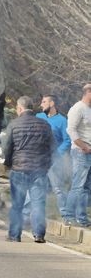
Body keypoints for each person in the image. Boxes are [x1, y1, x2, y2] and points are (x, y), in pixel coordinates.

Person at [2, 96, 55, 243]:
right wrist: (46, 164)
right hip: (39, 170)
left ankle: (14, 235)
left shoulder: (14, 124)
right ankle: (39, 234)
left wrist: (8, 163)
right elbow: (53, 148)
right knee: (38, 203)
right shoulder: (44, 124)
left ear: (19, 108)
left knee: (17, 204)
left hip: (19, 169)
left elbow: (7, 148)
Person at [23, 95, 71, 221]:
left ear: (52, 103)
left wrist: (56, 154)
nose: (41, 104)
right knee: (33, 187)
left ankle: (66, 216)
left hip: (54, 161)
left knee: (58, 189)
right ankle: (24, 216)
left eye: (44, 102)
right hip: (38, 160)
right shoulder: (39, 117)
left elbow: (67, 140)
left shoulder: (62, 120)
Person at [64, 84, 91, 227]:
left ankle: (82, 218)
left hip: (89, 152)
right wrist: (84, 147)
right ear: (87, 92)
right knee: (77, 186)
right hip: (80, 152)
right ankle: (68, 216)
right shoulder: (78, 108)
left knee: (86, 188)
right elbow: (71, 130)